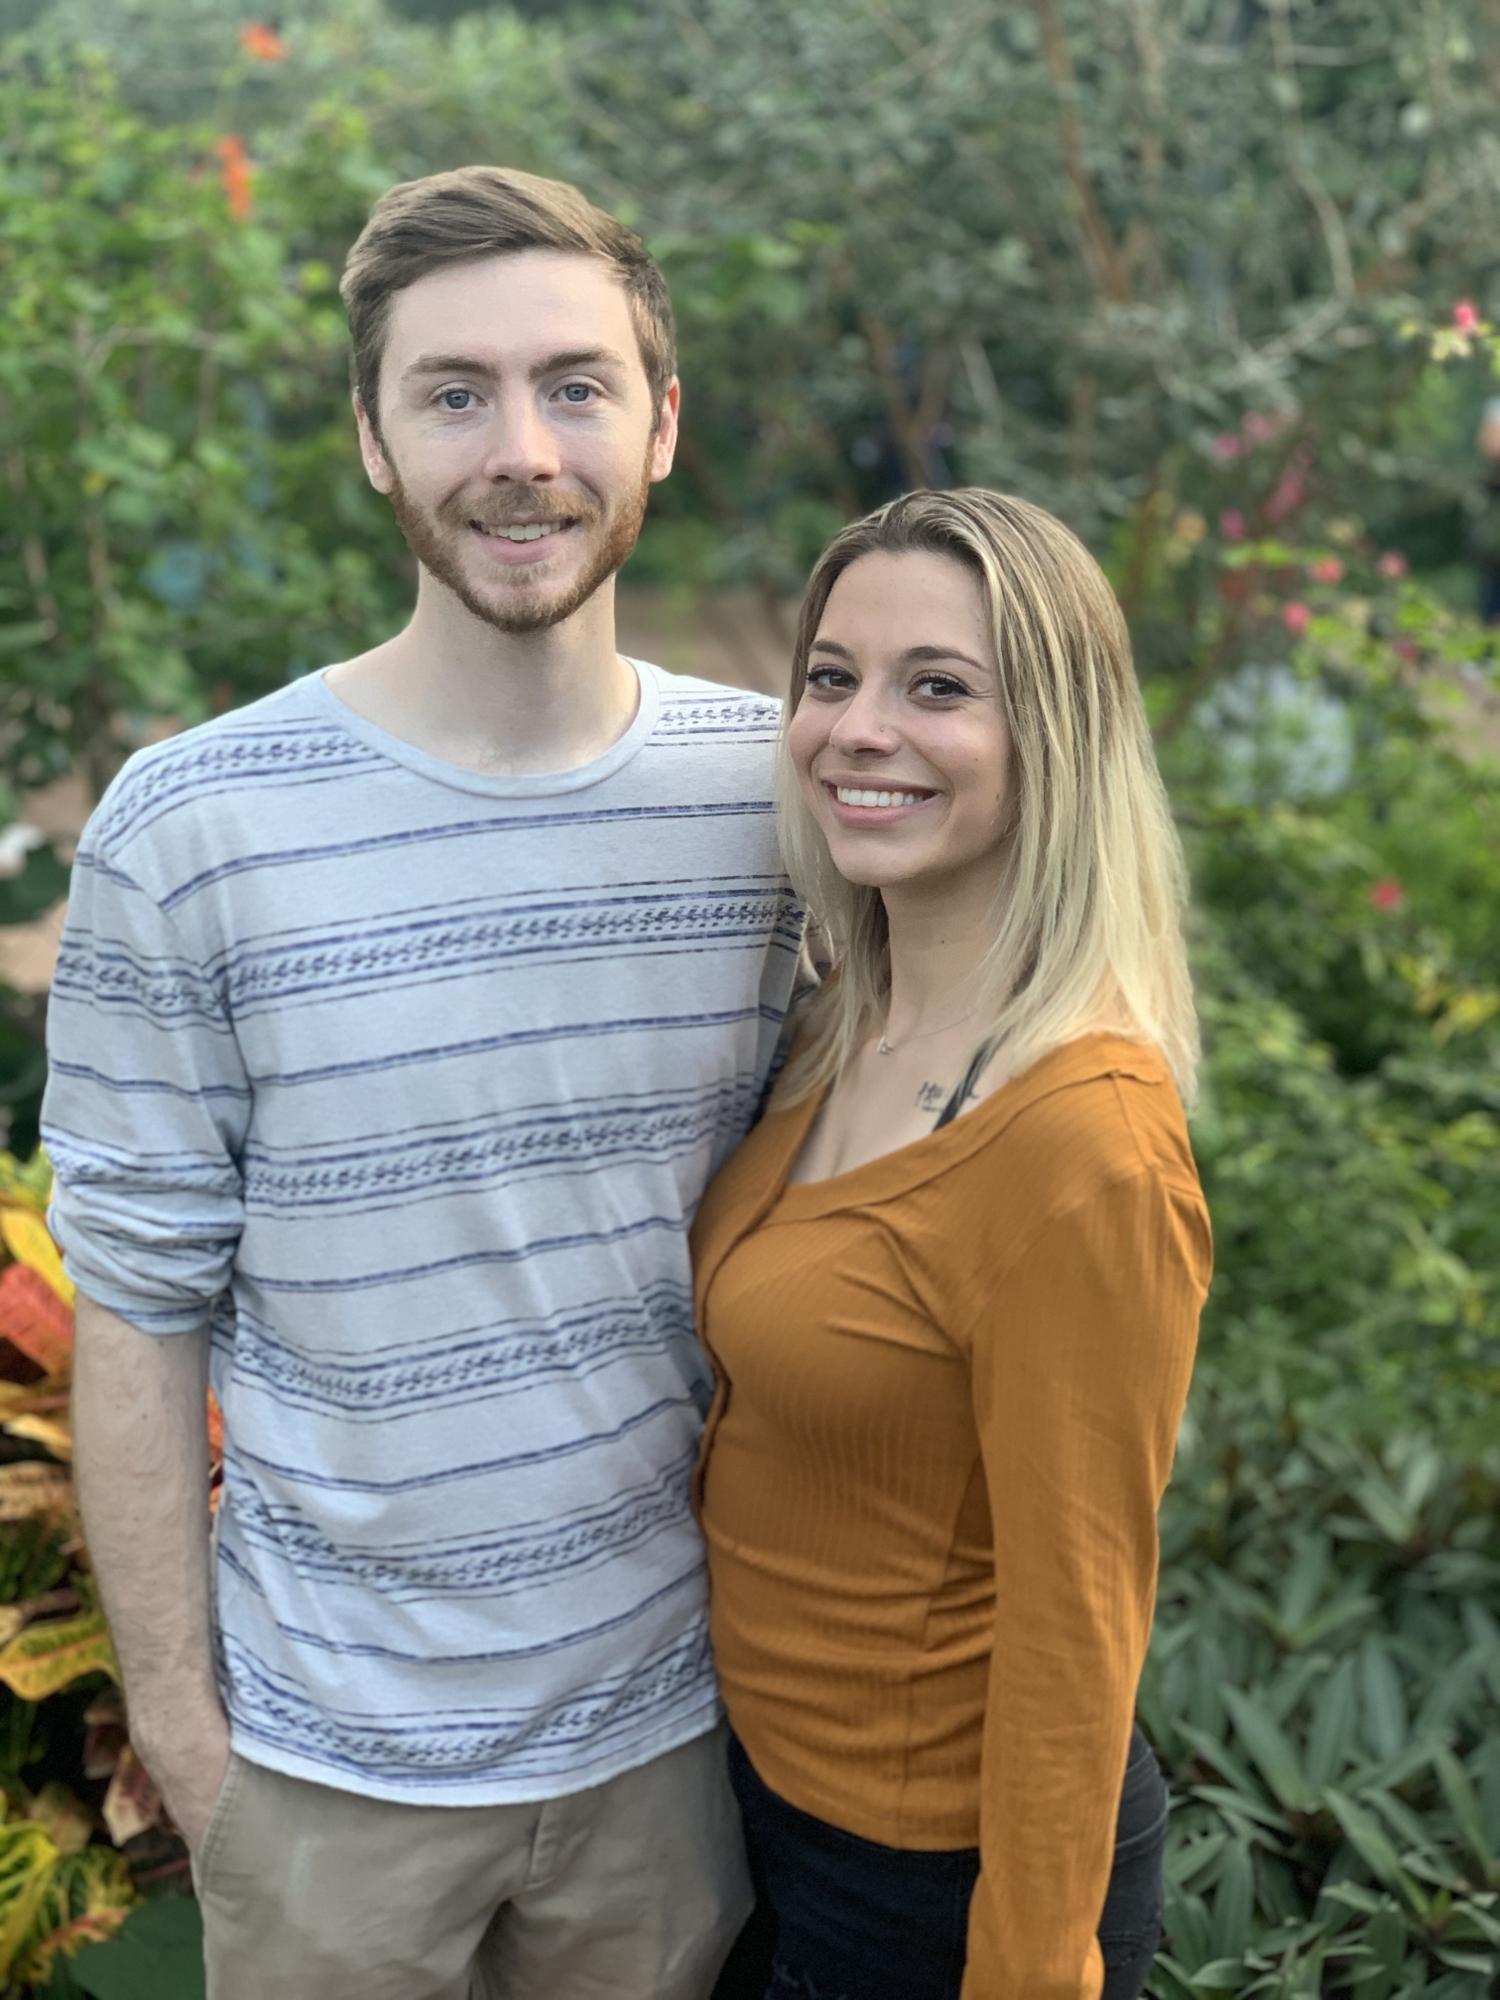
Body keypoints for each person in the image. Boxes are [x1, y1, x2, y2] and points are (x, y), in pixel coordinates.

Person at [42, 166, 800, 2000]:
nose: (520, 451)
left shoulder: (778, 803)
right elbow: (134, 1313)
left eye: (574, 386)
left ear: (661, 423)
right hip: (324, 1789)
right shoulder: (192, 829)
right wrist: (194, 1756)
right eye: (454, 393)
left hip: (672, 1760)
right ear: (375, 441)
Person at [693, 489, 1211, 2000]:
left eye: (938, 688)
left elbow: (1077, 1627)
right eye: (832, 676)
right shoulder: (838, 1020)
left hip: (928, 1879)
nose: (859, 729)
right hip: (759, 1803)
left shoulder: (1084, 1148)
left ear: (1054, 740)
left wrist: (1031, 1971)